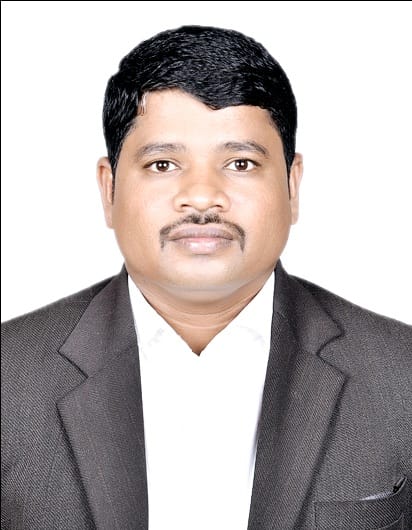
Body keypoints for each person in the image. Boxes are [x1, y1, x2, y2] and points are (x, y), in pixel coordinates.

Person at [1, 24, 411, 530]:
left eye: (240, 163)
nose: (201, 196)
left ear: (292, 185)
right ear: (109, 189)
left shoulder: (402, 376)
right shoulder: (9, 378)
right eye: (163, 164)